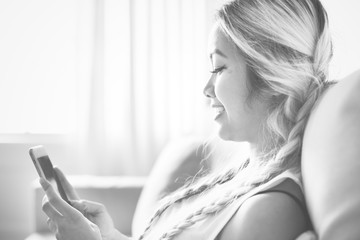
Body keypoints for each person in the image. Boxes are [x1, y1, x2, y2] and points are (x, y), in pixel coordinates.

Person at [39, 0, 358, 239]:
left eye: (218, 69)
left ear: (272, 78)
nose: (207, 89)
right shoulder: (245, 173)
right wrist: (106, 234)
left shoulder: (269, 213)